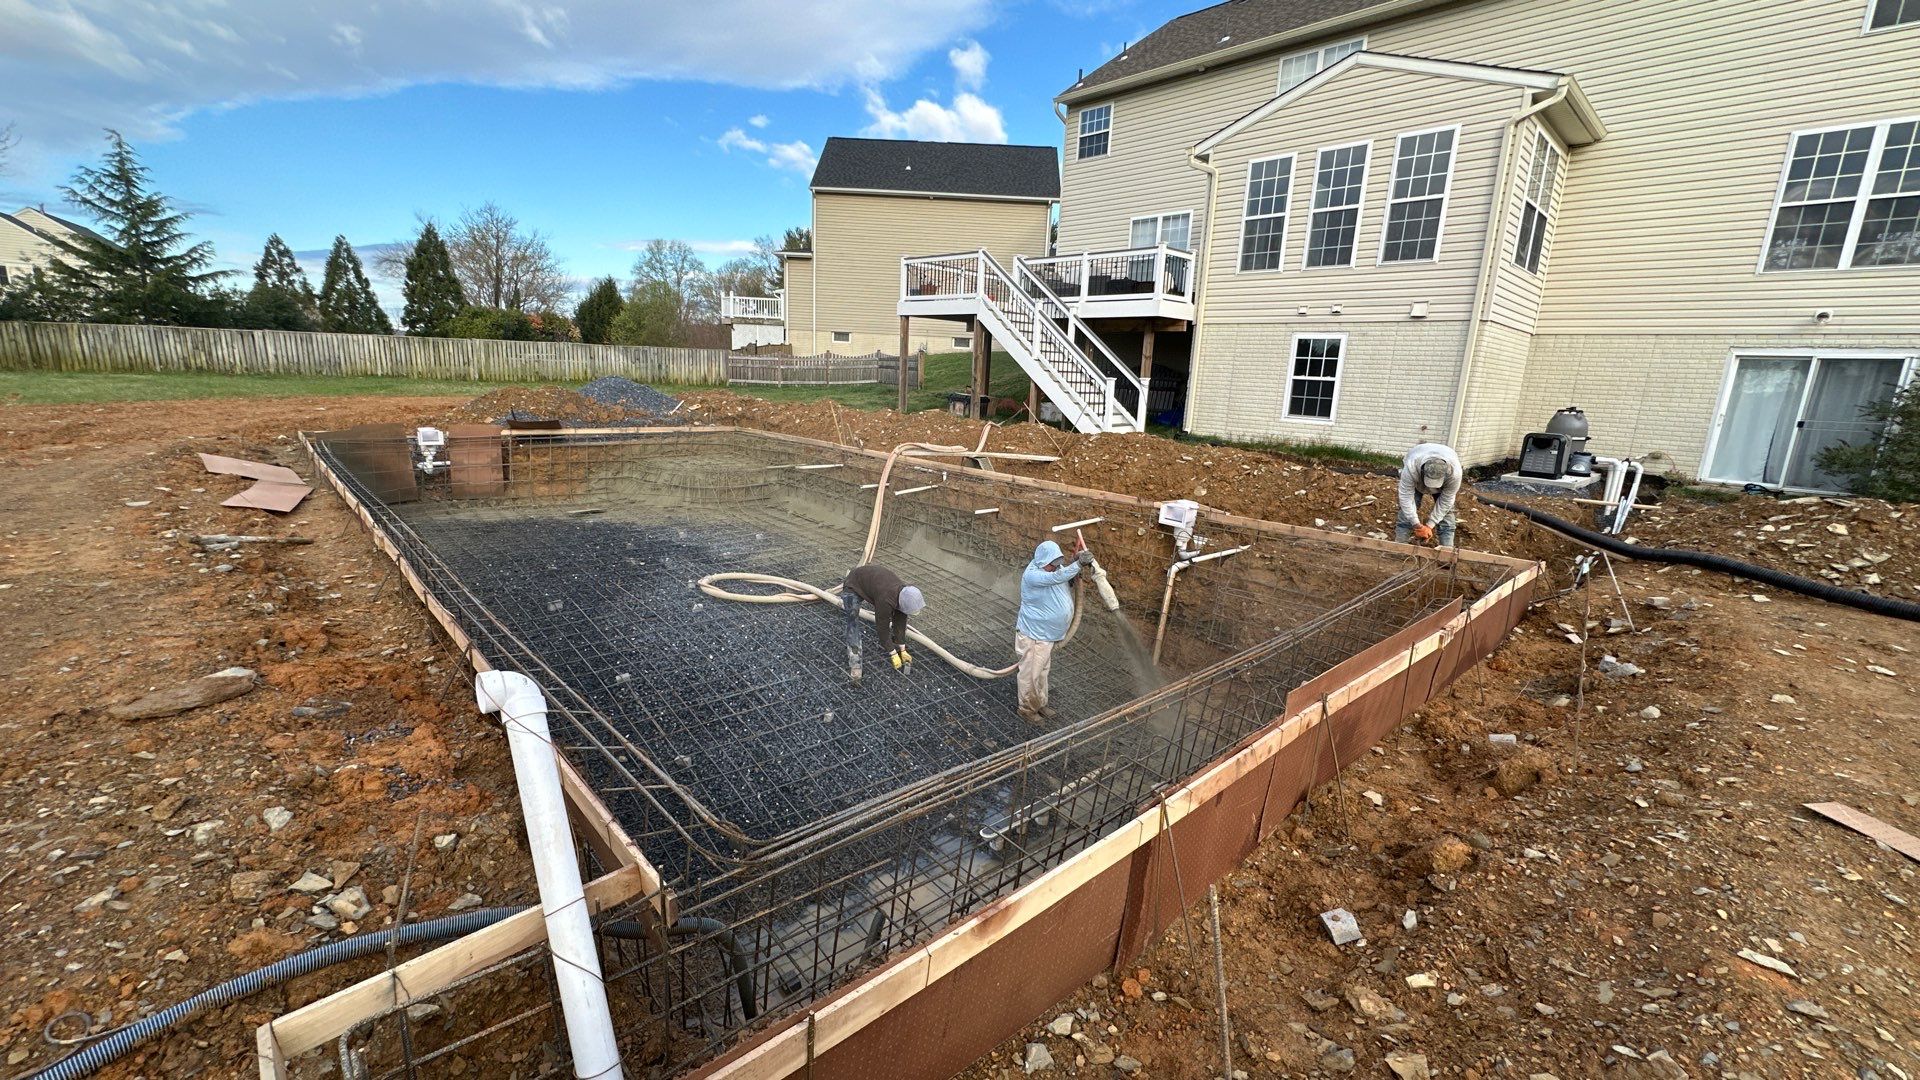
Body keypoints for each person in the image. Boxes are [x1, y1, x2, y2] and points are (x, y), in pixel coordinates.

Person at [1014, 538, 1091, 722]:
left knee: (1041, 672)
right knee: (1030, 674)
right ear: (1042, 561)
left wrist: (1074, 568)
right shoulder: (1033, 575)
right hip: (1033, 635)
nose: (1055, 567)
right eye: (1052, 564)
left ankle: (1039, 703)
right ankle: (1026, 709)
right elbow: (1055, 578)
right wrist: (1078, 564)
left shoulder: (1054, 570)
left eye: (1057, 563)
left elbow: (1061, 576)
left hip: (1046, 636)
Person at [841, 563, 925, 686]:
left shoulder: (904, 594)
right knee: (852, 621)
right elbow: (882, 627)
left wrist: (902, 648)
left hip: (870, 581)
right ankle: (855, 664)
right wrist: (892, 652)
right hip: (853, 585)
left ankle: (898, 647)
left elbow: (901, 620)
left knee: (895, 617)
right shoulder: (886, 599)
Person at [1396, 442, 1462, 547]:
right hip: (1417, 479)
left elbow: (1446, 500)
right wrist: (1417, 525)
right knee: (1405, 516)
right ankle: (1399, 548)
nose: (1431, 488)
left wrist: (1429, 525)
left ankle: (1447, 553)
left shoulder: (1454, 474)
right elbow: (1405, 497)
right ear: (1422, 470)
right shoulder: (1411, 467)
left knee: (1447, 519)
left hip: (1443, 484)